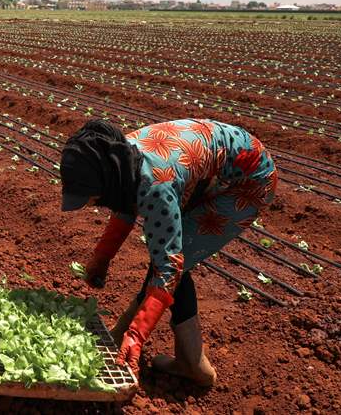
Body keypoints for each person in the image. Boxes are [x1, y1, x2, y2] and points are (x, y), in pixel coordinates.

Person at [60, 119, 278, 386]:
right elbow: (126, 202)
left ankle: (193, 365)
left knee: (177, 257)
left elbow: (170, 267)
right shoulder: (119, 156)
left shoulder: (154, 186)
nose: (91, 204)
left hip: (247, 181)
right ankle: (121, 334)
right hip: (210, 166)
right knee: (166, 249)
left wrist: (137, 334)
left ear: (105, 181)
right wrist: (102, 257)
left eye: (91, 198)